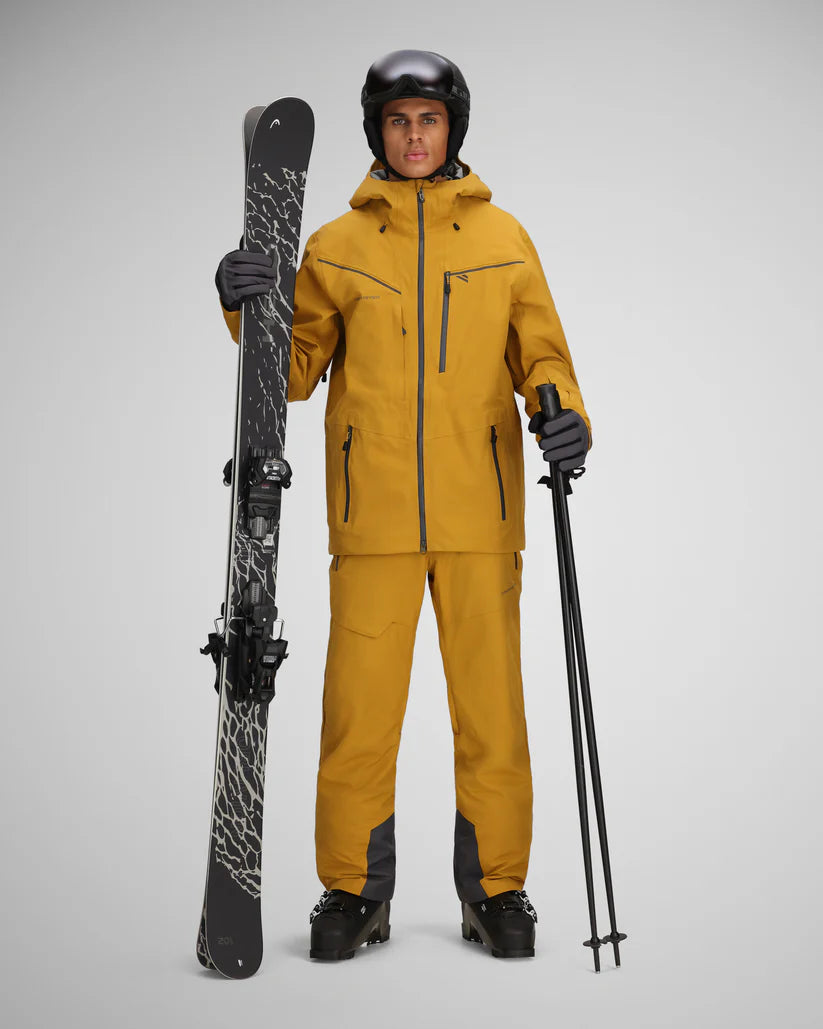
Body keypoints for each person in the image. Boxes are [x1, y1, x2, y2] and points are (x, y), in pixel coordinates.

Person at [215, 49, 591, 961]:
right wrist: (243, 307)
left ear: (451, 128)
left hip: (480, 516)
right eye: (397, 121)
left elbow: (541, 353)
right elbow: (290, 373)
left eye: (428, 120)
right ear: (376, 132)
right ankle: (354, 890)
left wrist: (565, 414)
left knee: (491, 715)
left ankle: (496, 890)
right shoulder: (335, 246)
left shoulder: (504, 237)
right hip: (373, 518)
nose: (414, 136)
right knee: (359, 714)